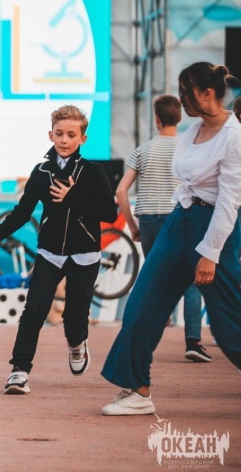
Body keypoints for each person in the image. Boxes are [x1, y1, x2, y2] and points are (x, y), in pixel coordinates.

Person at [100, 63, 241, 416]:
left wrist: (209, 252)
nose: (181, 100)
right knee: (142, 304)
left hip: (213, 228)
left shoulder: (234, 136)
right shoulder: (192, 130)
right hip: (179, 222)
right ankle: (138, 390)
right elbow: (186, 182)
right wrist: (179, 217)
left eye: (185, 93)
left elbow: (229, 200)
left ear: (207, 93)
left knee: (228, 322)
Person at [0, 105, 117, 395]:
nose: (64, 140)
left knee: (74, 317)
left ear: (82, 138)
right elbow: (22, 212)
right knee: (33, 311)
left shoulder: (93, 171)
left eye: (71, 135)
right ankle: (19, 371)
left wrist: (72, 196)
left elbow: (109, 212)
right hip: (49, 253)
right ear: (50, 134)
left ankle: (77, 344)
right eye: (59, 133)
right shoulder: (41, 172)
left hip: (85, 255)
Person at [114, 95, 210, 362]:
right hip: (180, 215)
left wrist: (132, 226)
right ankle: (193, 341)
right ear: (179, 118)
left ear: (156, 120)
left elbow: (121, 191)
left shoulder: (143, 150)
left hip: (148, 219)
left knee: (154, 277)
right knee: (191, 280)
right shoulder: (188, 148)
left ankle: (143, 341)